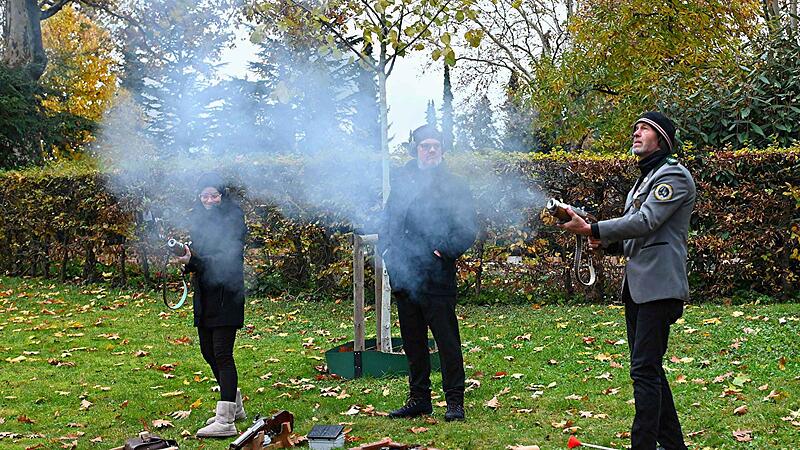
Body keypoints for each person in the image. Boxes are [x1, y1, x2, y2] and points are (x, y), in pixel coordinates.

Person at [559, 112, 695, 450]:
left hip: (659, 287)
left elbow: (646, 220)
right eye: (635, 127)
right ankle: (673, 445)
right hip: (639, 288)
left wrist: (594, 229)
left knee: (644, 370)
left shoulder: (673, 176)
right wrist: (607, 242)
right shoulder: (643, 180)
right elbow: (639, 234)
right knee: (649, 369)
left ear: (662, 139)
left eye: (644, 128)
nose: (635, 132)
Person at [379, 124, 478, 422]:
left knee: (447, 341)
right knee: (413, 341)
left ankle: (455, 401)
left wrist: (443, 251)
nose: (431, 150)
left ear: (443, 151)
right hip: (405, 275)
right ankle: (419, 398)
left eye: (436, 146)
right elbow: (388, 220)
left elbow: (467, 229)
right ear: (416, 149)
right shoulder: (402, 180)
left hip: (437, 276)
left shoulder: (455, 185)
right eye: (425, 146)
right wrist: (387, 251)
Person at [175, 172, 248, 438]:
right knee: (207, 351)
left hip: (227, 293)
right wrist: (186, 259)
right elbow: (200, 257)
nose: (208, 200)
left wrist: (194, 261)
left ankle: (225, 421)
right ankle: (235, 406)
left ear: (222, 195)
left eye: (213, 195)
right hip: (205, 295)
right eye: (204, 195)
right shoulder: (198, 219)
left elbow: (226, 258)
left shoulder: (234, 218)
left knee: (222, 353)